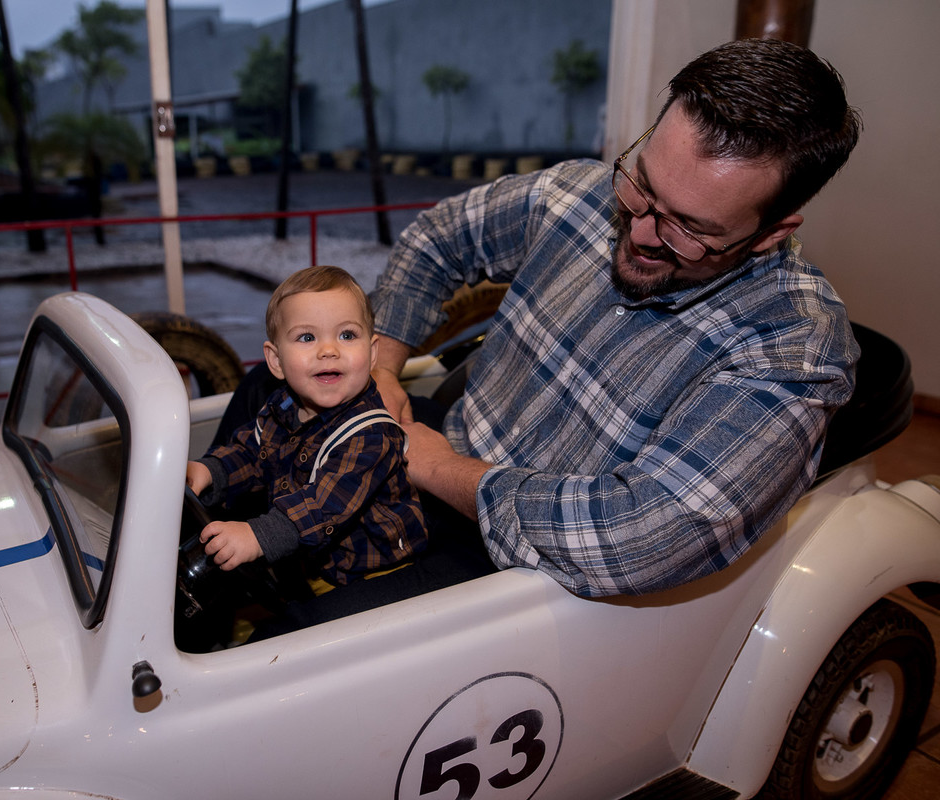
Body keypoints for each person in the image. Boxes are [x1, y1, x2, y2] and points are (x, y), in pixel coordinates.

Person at [370, 38, 863, 598]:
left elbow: (635, 535)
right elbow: (437, 239)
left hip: (527, 576)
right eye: (644, 185)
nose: (643, 233)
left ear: (771, 233)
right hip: (435, 448)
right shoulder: (578, 195)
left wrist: (438, 468)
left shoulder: (794, 350)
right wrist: (383, 370)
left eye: (692, 228)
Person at [187, 265, 427, 592]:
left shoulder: (371, 434)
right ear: (275, 361)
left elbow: (321, 508)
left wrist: (258, 535)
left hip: (372, 573)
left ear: (372, 354)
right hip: (311, 556)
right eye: (307, 337)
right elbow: (250, 453)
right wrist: (211, 470)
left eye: (347, 335)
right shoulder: (283, 405)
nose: (328, 350)